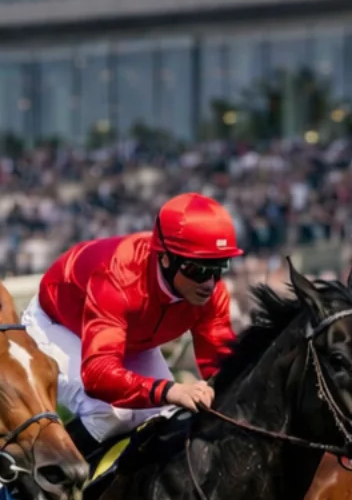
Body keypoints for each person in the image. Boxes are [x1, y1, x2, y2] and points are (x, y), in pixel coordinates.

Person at [24, 192, 240, 457]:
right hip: (56, 325)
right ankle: (31, 473)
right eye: (198, 269)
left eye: (219, 267)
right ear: (165, 258)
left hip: (127, 339)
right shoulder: (118, 277)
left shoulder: (213, 293)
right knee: (110, 415)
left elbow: (222, 366)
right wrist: (169, 389)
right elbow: (97, 375)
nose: (209, 283)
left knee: (165, 416)